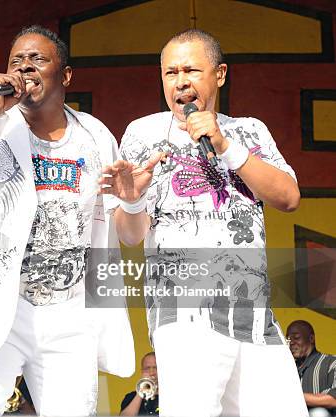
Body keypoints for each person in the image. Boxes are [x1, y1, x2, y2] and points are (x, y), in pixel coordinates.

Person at [0, 25, 134, 416]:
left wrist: (133, 200)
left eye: (38, 59)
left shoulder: (96, 135)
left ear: (65, 75)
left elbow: (111, 225)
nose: (25, 67)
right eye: (17, 60)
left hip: (71, 311)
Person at [100, 29, 307, 417]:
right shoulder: (142, 133)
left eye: (191, 70)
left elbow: (289, 198)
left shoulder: (249, 130)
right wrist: (131, 201)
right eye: (169, 72)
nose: (180, 82)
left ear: (220, 74)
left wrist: (227, 146)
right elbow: (129, 237)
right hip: (183, 311)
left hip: (252, 310)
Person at [287, 320, 336, 416]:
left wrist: (290, 395)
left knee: (319, 413)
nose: (291, 343)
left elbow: (333, 400)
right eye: (288, 339)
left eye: (296, 338)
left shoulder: (331, 362)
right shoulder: (286, 369)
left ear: (311, 338)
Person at [120, 352, 159, 416]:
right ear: (142, 371)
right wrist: (140, 393)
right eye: (147, 368)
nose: (152, 373)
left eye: (156, 368)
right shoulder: (130, 397)